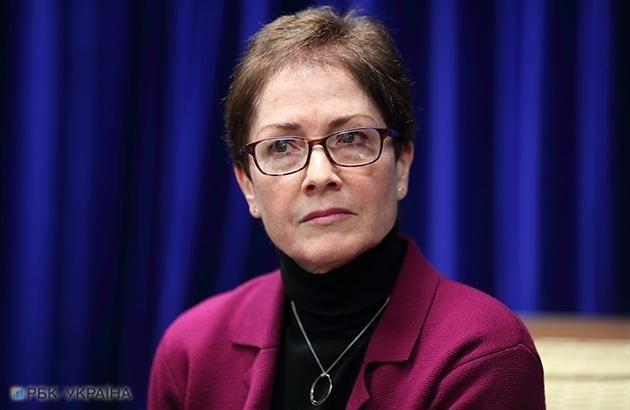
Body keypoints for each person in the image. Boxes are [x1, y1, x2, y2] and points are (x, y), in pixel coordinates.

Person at [148, 6, 545, 409]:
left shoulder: (483, 355)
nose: (319, 175)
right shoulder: (190, 353)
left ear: (402, 164)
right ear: (247, 185)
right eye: (282, 147)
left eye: (351, 138)